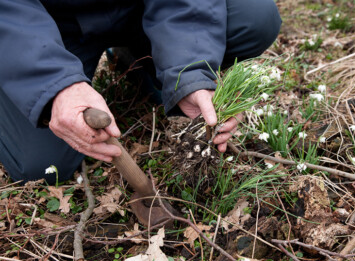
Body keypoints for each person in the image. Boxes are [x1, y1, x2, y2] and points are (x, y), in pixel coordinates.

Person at [0, 0, 282, 184]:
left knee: (253, 18)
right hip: (42, 24)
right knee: (43, 166)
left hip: (140, 9)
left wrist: (191, 73)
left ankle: (137, 58)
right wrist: (53, 84)